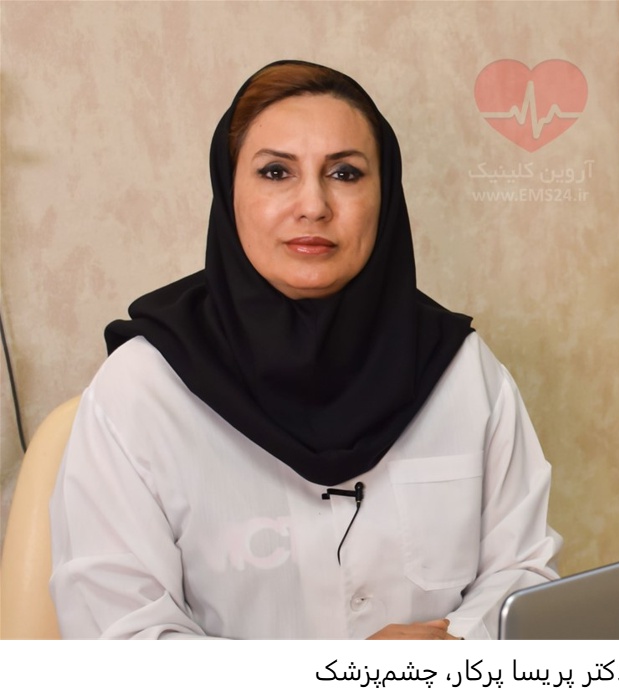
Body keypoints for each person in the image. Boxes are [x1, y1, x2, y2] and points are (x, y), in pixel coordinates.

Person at [49, 60, 561, 640]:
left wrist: (450, 652)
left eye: (345, 173)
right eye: (276, 172)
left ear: (385, 195)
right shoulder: (142, 389)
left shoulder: (462, 370)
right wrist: (336, 676)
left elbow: (522, 574)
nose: (313, 205)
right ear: (229, 191)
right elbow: (120, 639)